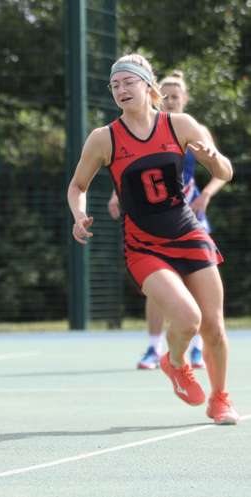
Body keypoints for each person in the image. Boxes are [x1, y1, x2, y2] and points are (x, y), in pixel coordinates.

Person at [68, 53, 238, 425]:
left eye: (128, 82)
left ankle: (220, 399)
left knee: (214, 324)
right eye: (114, 85)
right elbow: (77, 185)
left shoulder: (180, 124)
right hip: (143, 243)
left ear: (148, 85)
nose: (121, 90)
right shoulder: (104, 138)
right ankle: (174, 363)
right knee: (188, 317)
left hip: (188, 232)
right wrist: (78, 214)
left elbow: (226, 170)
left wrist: (213, 159)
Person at [106, 70, 227, 371]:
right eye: (167, 96)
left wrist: (207, 194)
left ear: (184, 99)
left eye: (176, 97)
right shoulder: (142, 129)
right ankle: (154, 346)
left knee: (198, 287)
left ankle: (197, 347)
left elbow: (221, 167)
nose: (171, 101)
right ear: (156, 93)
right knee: (161, 285)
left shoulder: (189, 128)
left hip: (188, 214)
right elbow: (129, 169)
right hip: (150, 220)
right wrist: (114, 195)